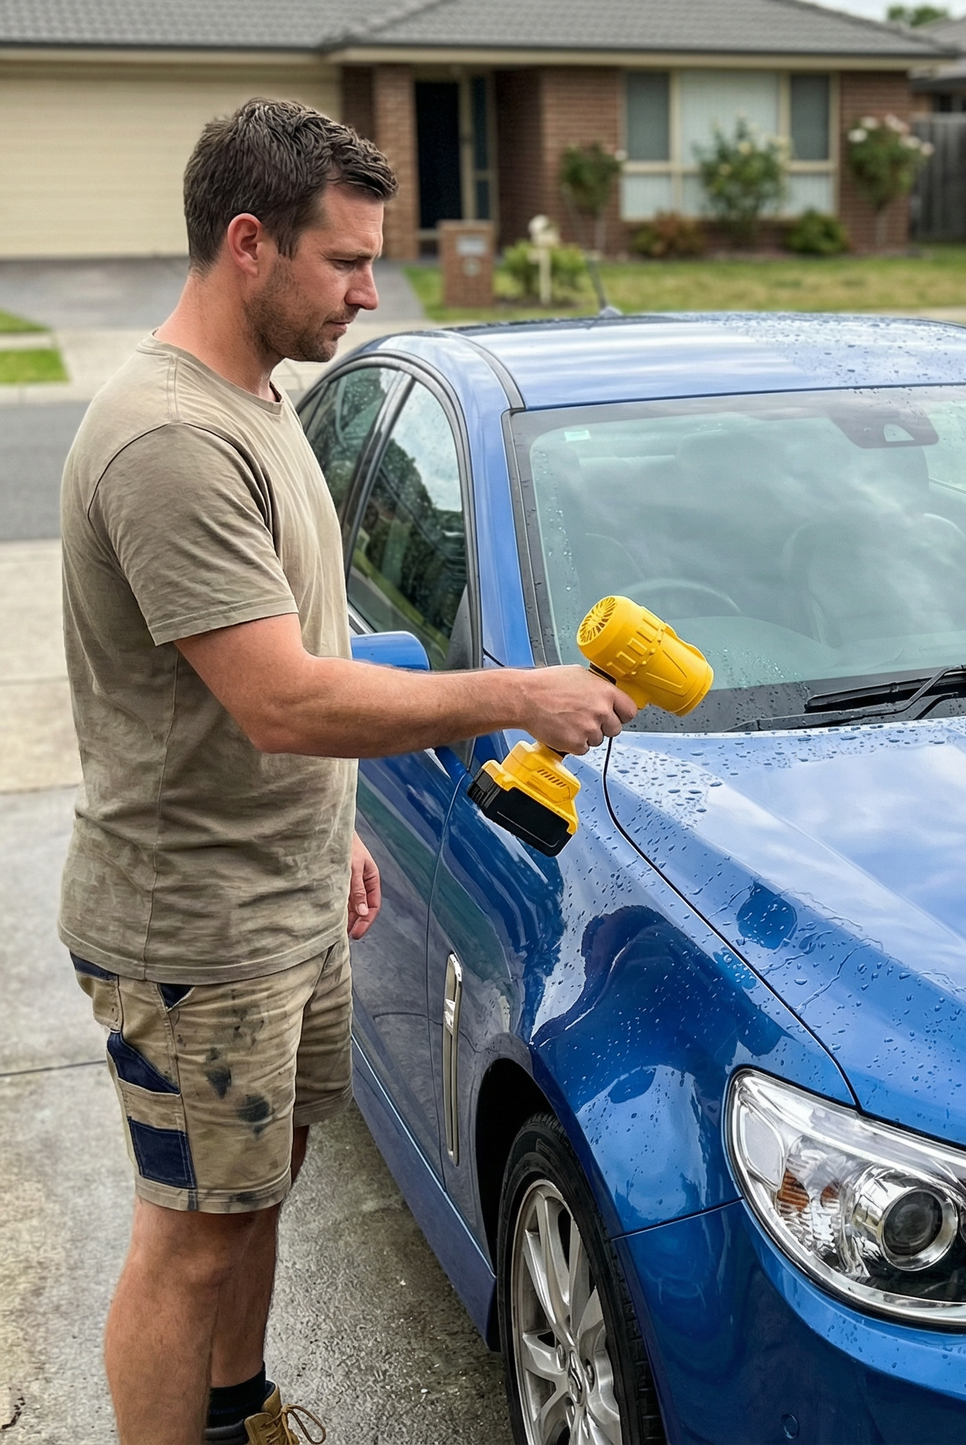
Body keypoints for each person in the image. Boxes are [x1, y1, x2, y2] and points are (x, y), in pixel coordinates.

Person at [59, 98, 635, 1445]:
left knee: (253, 1196)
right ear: (248, 243)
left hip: (284, 890)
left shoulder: (259, 400)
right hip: (194, 929)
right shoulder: (169, 441)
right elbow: (280, 699)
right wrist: (519, 693)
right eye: (347, 262)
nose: (373, 292)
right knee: (189, 1236)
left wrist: (339, 831)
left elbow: (283, 662)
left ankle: (240, 1410)